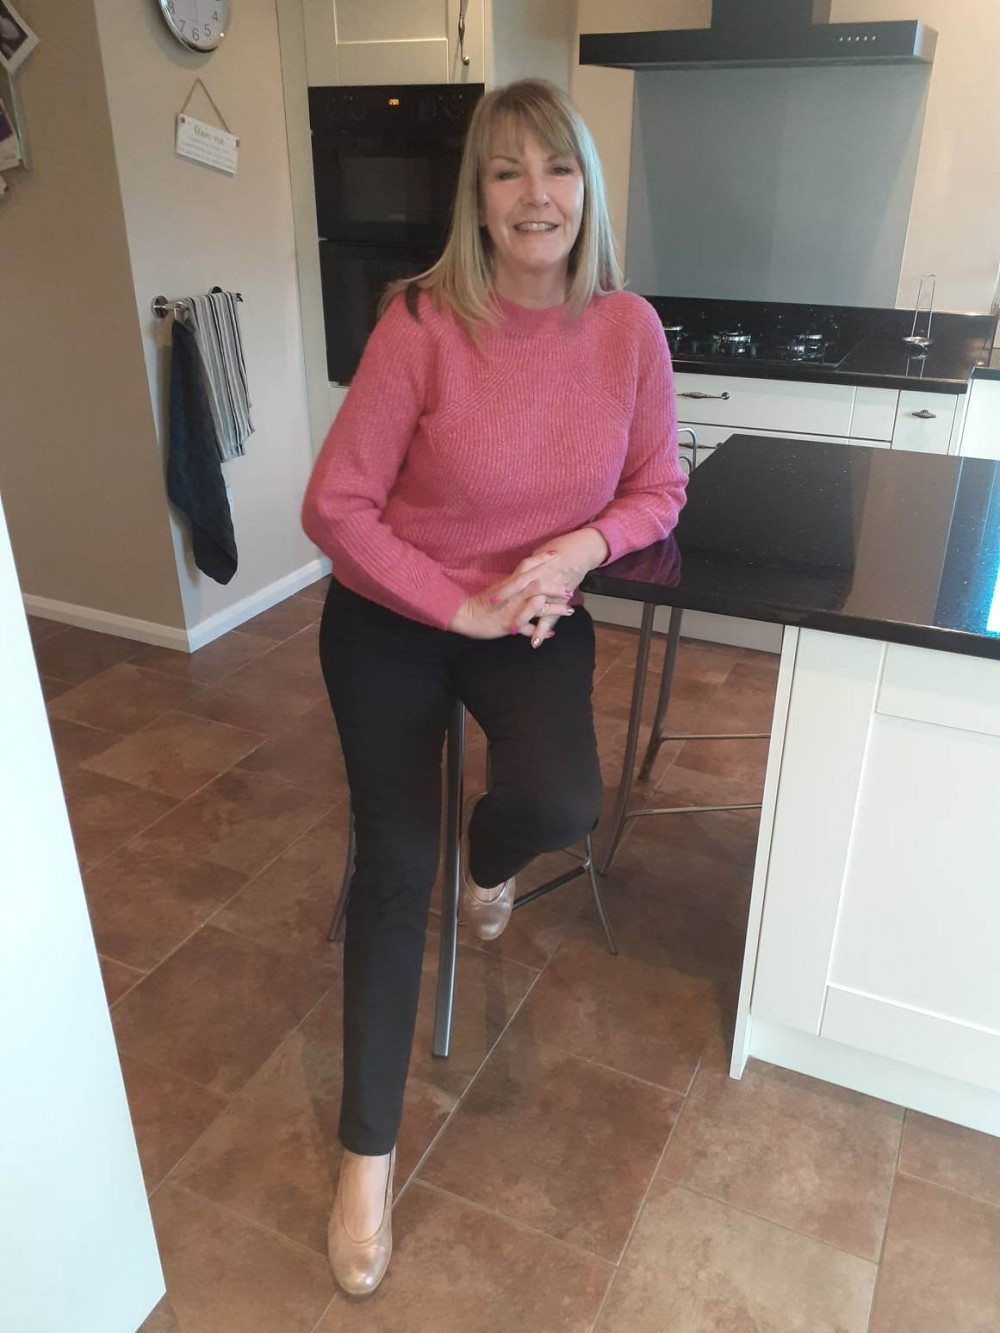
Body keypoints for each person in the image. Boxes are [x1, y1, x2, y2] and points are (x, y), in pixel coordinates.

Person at [301, 77, 687, 1296]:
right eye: (509, 171)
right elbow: (334, 506)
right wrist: (452, 600)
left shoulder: (629, 329)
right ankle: (366, 1158)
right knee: (390, 866)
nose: (537, 196)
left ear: (588, 186)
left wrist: (578, 549)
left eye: (557, 169)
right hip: (391, 617)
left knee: (562, 803)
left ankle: (492, 861)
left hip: (527, 615)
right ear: (477, 193)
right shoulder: (420, 320)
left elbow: (659, 486)